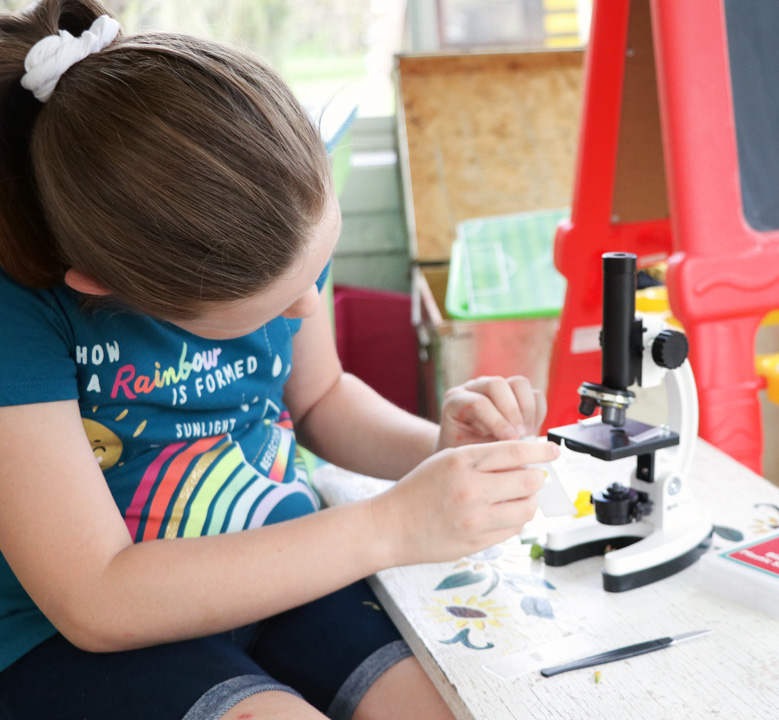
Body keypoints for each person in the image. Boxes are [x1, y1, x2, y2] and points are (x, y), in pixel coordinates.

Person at [0, 1, 558, 718]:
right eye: (273, 306)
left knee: (452, 706)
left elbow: (321, 400)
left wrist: (438, 452)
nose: (308, 309)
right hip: (87, 632)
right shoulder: (22, 311)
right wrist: (393, 524)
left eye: (316, 270)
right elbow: (98, 597)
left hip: (286, 565)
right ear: (111, 288)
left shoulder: (274, 217)